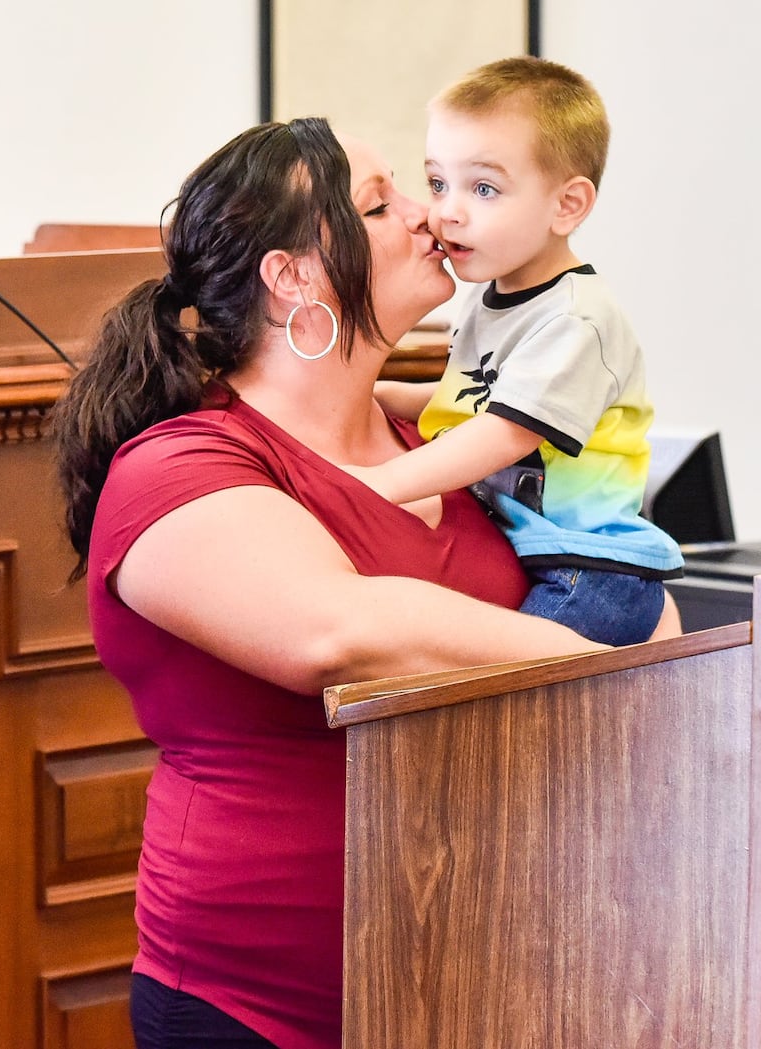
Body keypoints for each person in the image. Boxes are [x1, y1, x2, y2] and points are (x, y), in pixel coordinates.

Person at [50, 116, 679, 1049]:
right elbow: (340, 633)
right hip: (264, 1009)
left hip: (478, 990)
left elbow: (622, 584)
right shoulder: (178, 466)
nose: (430, 216)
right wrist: (599, 667)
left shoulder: (439, 452)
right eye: (382, 203)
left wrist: (658, 658)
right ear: (292, 275)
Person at [346, 57, 682, 645]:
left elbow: (504, 433)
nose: (446, 211)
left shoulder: (576, 319)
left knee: (512, 700)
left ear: (567, 206)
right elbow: (474, 395)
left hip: (591, 570)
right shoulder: (494, 297)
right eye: (437, 183)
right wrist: (371, 395)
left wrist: (379, 485)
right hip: (538, 553)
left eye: (483, 188)